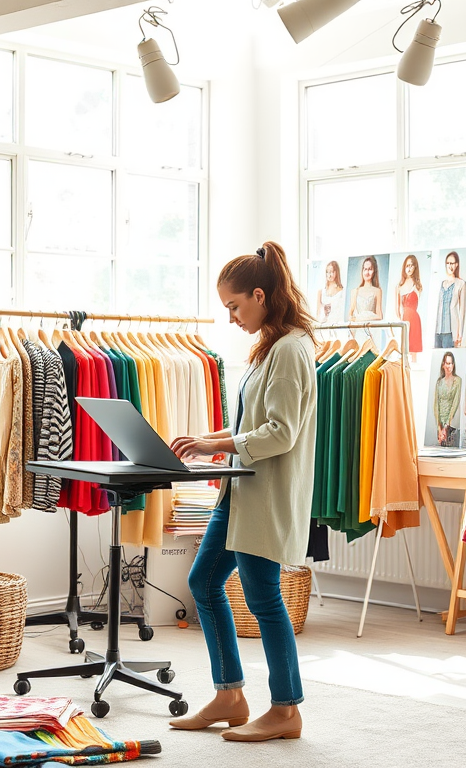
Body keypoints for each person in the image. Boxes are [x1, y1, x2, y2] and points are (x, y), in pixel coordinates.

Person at [169, 241, 316, 742]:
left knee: (264, 598)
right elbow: (256, 424)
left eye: (234, 306)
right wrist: (214, 442)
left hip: (265, 495)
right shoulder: (270, 347)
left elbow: (280, 432)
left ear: (259, 294)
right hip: (239, 491)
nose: (231, 317)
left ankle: (286, 709)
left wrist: (216, 442)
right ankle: (230, 695)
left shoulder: (292, 349)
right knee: (205, 582)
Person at [434, 251, 466, 349]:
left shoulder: (461, 283)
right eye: (448, 263)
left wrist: (459, 333)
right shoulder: (441, 283)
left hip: (450, 332)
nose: (450, 266)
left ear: (456, 265)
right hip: (437, 331)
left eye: (452, 263)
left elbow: (462, 311)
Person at [395, 254, 424, 360]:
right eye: (407, 265)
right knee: (403, 351)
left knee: (413, 354)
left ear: (415, 267)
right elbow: (397, 309)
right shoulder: (399, 286)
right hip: (404, 320)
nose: (409, 268)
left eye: (412, 265)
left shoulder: (418, 286)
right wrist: (401, 320)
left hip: (415, 320)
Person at [433, 351, 461, 448]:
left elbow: (455, 402)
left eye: (451, 363)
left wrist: (446, 426)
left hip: (451, 424)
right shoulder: (439, 382)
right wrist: (439, 428)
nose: (449, 366)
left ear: (453, 365)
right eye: (447, 363)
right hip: (440, 425)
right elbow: (436, 404)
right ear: (443, 365)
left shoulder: (457, 381)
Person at [349, 256, 383, 322]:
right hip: (358, 329)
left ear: (374, 271)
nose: (367, 272)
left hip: (371, 329)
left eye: (370, 269)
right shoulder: (355, 291)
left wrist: (362, 318)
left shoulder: (377, 291)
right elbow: (350, 315)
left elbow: (379, 316)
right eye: (365, 269)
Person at [315, 260, 345, 325]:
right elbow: (318, 313)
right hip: (323, 326)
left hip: (336, 326)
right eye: (327, 272)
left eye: (331, 272)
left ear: (336, 272)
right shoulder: (321, 292)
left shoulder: (342, 292)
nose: (329, 275)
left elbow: (341, 313)